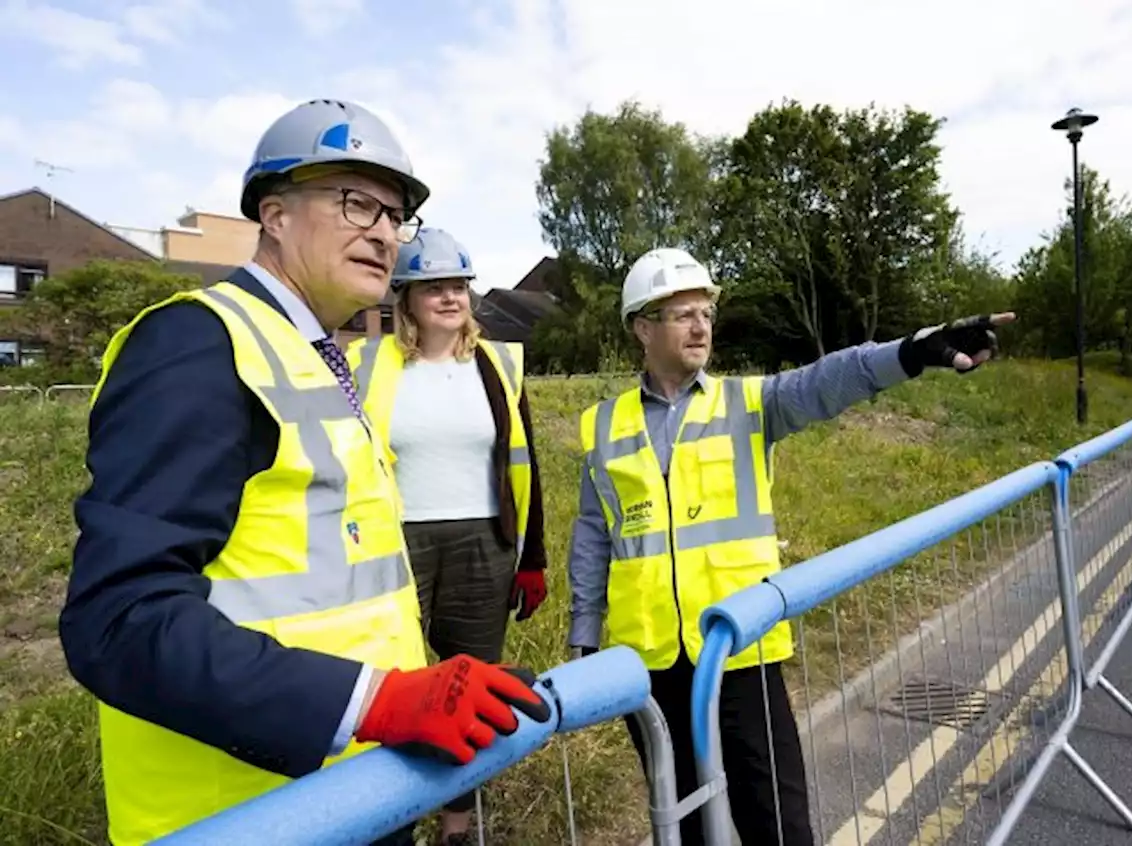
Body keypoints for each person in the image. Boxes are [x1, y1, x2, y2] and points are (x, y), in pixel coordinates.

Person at [58, 98, 551, 846]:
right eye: (357, 201)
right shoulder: (199, 346)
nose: (384, 231)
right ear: (274, 212)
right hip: (242, 814)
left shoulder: (316, 359)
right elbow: (118, 622)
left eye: (395, 215)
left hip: (350, 787)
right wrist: (374, 701)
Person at [566, 247, 1014, 845]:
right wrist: (583, 633)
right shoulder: (604, 424)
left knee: (776, 821)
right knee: (682, 821)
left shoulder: (750, 405)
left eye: (706, 312)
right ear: (643, 329)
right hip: (652, 661)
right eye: (683, 314)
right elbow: (595, 530)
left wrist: (911, 352)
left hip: (739, 648)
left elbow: (829, 380)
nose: (701, 326)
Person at [345, 227, 549, 845]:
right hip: (394, 548)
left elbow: (525, 462)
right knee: (396, 686)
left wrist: (531, 556)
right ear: (405, 297)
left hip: (482, 544)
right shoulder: (365, 365)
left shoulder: (497, 363)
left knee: (473, 686)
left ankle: (456, 826)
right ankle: (387, 818)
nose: (449, 296)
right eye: (433, 285)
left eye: (458, 284)